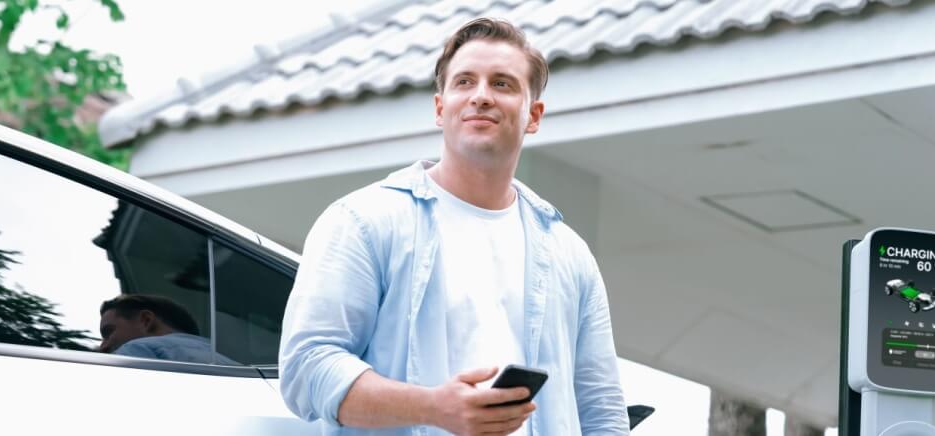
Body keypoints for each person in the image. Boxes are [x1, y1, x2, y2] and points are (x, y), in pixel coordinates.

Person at [278, 17, 630, 435]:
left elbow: (602, 410)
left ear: (533, 115)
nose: (481, 96)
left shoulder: (569, 254)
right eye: (465, 82)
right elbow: (307, 367)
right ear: (440, 107)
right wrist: (432, 407)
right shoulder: (363, 221)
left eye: (502, 84)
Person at [98, 294, 238, 365]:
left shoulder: (139, 349)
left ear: (146, 320)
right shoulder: (231, 362)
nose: (103, 347)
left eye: (108, 332)